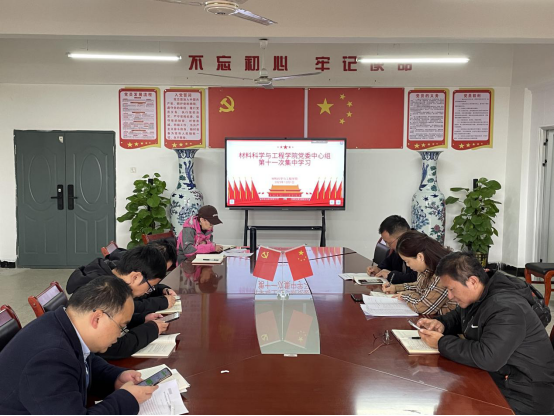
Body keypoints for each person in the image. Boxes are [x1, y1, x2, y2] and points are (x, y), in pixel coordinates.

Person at [418, 252, 554, 415]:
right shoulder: (481, 293)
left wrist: (441, 343)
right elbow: (462, 315)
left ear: (473, 281)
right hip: (500, 379)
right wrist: (442, 323)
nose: (450, 296)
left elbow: (488, 357)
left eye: (451, 289)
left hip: (524, 396)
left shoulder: (507, 307)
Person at [0, 277, 158, 415]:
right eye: (121, 326)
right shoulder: (50, 357)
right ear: (97, 318)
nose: (119, 335)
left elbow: (85, 361)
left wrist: (115, 377)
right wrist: (127, 399)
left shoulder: (61, 323)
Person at [67, 245, 173, 360]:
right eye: (150, 287)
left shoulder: (110, 276)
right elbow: (112, 349)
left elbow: (114, 317)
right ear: (135, 277)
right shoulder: (102, 290)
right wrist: (151, 330)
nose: (147, 292)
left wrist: (142, 319)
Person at [382, 230, 457, 316]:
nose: (407, 265)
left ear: (420, 257)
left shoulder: (443, 271)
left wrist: (405, 296)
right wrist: (396, 288)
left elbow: (423, 307)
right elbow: (420, 287)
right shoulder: (427, 267)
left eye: (407, 261)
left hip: (447, 321)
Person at [367, 215, 418, 284]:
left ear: (401, 237)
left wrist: (390, 275)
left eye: (389, 243)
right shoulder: (401, 246)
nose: (388, 246)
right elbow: (389, 262)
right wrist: (379, 268)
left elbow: (416, 278)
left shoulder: (420, 247)